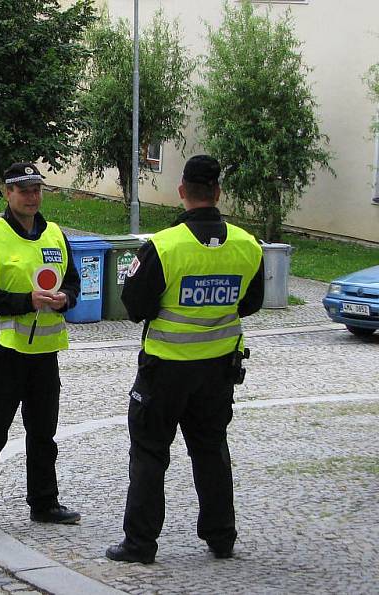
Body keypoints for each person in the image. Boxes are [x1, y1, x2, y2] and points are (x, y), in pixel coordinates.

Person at [106, 155, 265, 564]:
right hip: (217, 369)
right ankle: (221, 536)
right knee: (211, 449)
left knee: (149, 453)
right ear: (217, 192)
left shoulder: (162, 246)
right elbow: (251, 303)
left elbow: (135, 305)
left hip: (166, 370)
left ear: (182, 192)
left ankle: (140, 544)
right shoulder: (247, 246)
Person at [0, 162, 82, 536]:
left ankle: (44, 503)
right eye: (24, 190)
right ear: (8, 193)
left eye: (37, 189)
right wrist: (25, 301)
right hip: (3, 353)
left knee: (44, 434)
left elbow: (75, 285)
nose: (32, 196)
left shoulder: (56, 235)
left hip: (45, 355)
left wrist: (66, 299)